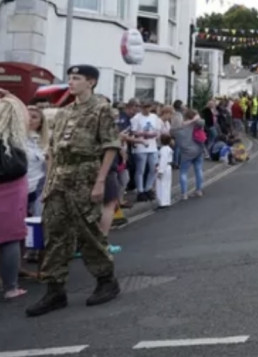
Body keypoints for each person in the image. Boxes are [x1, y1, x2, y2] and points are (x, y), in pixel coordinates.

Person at [26, 65, 121, 317]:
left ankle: (106, 280)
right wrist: (49, 183)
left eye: (77, 78)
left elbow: (111, 146)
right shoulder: (65, 112)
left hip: (85, 175)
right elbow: (54, 149)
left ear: (91, 82)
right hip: (60, 177)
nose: (71, 82)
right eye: (70, 77)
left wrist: (100, 181)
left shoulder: (102, 110)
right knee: (55, 232)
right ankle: (55, 289)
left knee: (88, 231)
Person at [0, 92, 30, 301]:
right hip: (13, 191)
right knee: (10, 240)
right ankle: (11, 287)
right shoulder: (18, 140)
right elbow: (25, 115)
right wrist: (10, 95)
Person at [129, 101, 162, 202]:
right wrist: (144, 133)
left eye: (148, 107)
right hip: (141, 146)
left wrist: (155, 134)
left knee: (153, 168)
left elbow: (157, 130)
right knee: (140, 170)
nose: (147, 109)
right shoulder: (136, 118)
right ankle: (140, 190)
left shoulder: (154, 117)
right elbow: (133, 132)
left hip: (152, 146)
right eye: (144, 107)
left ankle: (148, 188)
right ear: (141, 108)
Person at [176, 109, 206, 200]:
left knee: (183, 172)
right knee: (198, 170)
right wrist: (195, 119)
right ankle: (199, 190)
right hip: (198, 150)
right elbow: (202, 121)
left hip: (186, 152)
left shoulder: (181, 126)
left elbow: (174, 134)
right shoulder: (197, 124)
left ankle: (184, 194)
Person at [155, 134, 174, 210]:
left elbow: (163, 161)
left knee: (161, 185)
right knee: (167, 184)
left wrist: (160, 171)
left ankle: (162, 202)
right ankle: (166, 201)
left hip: (164, 168)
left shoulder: (163, 150)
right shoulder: (168, 148)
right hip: (168, 167)